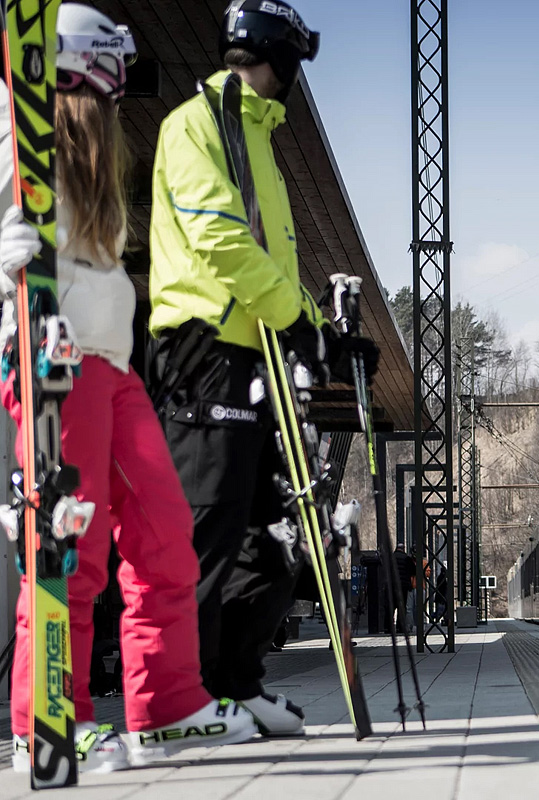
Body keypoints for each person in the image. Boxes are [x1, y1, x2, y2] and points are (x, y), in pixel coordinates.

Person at [0, 4, 256, 772]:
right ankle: (47, 720)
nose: (113, 103)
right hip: (53, 358)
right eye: (107, 85)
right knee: (69, 542)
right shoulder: (17, 140)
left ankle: (167, 708)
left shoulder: (91, 166)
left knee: (165, 531)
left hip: (113, 363)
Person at [148, 0, 377, 736]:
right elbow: (220, 244)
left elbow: (271, 267)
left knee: (279, 531)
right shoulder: (195, 125)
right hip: (203, 353)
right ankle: (181, 701)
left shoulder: (260, 140)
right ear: (279, 58)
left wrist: (325, 338)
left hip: (255, 356)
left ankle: (235, 686)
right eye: (296, 62)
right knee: (208, 530)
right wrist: (296, 323)